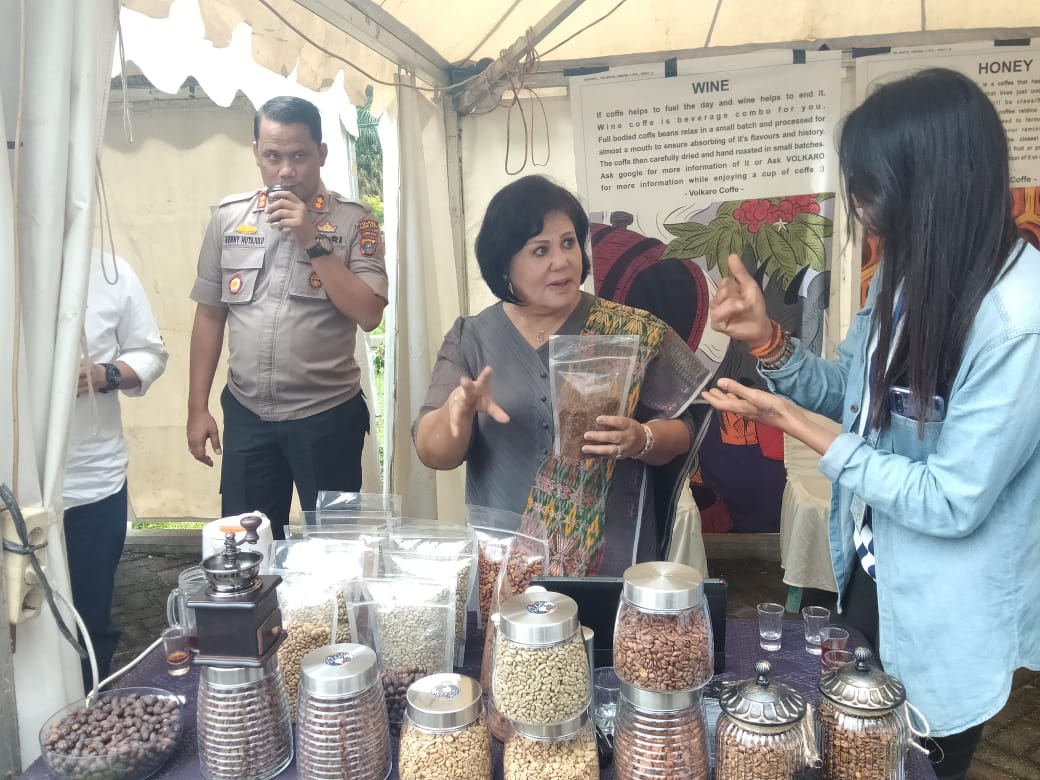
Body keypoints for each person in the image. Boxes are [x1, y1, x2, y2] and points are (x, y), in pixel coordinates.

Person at [702, 68, 1040, 779]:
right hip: (872, 573)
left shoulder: (1017, 319)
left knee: (917, 761)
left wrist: (806, 429)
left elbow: (952, 501)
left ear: (935, 181)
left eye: (870, 188)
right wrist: (770, 343)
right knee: (855, 755)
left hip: (949, 610)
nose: (862, 208)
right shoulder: (908, 273)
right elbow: (850, 397)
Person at [413, 175, 711, 576]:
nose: (562, 261)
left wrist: (641, 439)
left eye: (568, 243)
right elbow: (434, 454)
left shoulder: (631, 329)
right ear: (505, 263)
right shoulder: (472, 338)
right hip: (507, 565)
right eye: (540, 250)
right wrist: (459, 409)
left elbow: (685, 430)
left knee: (609, 640)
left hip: (612, 557)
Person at [187, 96, 388, 539]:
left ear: (321, 154)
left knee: (333, 548)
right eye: (273, 156)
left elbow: (370, 313)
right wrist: (196, 407)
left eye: (299, 156)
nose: (286, 170)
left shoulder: (358, 223)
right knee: (245, 549)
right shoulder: (228, 218)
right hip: (247, 414)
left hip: (326, 415)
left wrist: (311, 238)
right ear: (256, 151)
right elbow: (209, 316)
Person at [64, 248, 169, 691]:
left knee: (89, 615)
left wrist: (105, 374)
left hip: (91, 481)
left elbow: (150, 354)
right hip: (12, 488)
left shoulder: (107, 272)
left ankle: (90, 713)